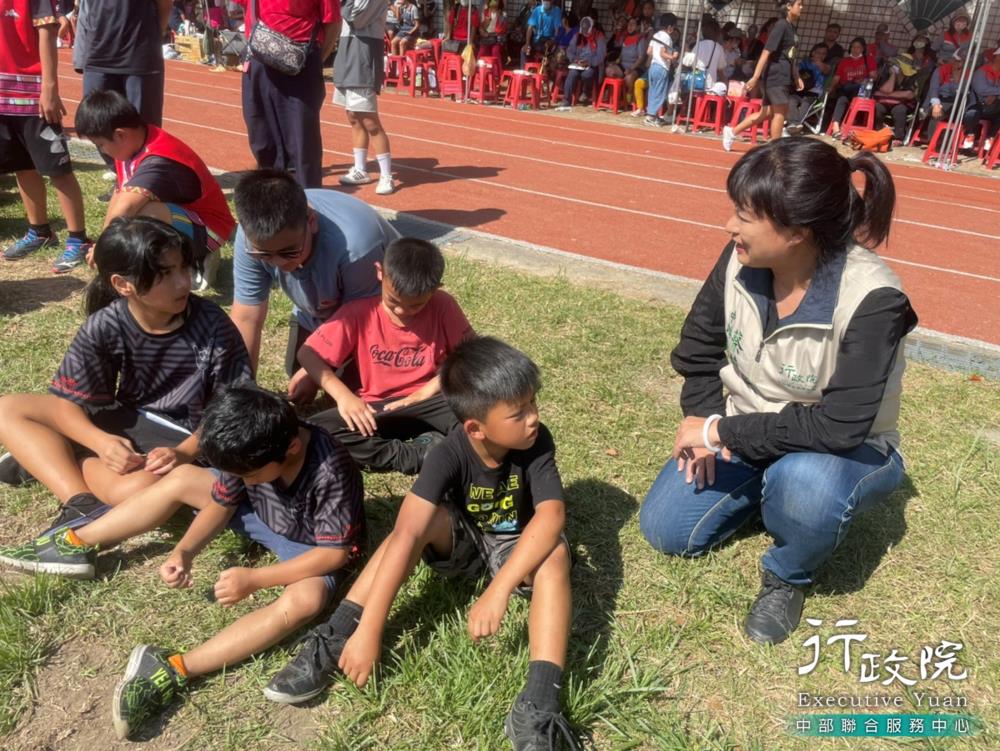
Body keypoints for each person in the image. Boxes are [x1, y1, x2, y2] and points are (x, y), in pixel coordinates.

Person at [640, 138, 917, 646]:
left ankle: (788, 575)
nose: (730, 226)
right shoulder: (739, 259)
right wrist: (705, 425)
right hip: (748, 429)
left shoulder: (874, 299)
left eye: (745, 215)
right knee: (666, 529)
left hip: (841, 449)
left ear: (797, 232)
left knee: (806, 484)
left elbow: (840, 425)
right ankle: (771, 492)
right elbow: (698, 350)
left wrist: (719, 429)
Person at [262, 336, 580, 749]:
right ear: (475, 428)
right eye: (519, 413)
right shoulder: (448, 452)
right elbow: (408, 534)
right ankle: (340, 632)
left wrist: (498, 591)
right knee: (413, 523)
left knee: (554, 553)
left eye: (533, 404)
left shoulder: (536, 442)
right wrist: (370, 630)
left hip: (518, 547)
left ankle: (540, 704)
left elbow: (552, 516)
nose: (533, 418)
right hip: (463, 542)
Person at [1, 384, 366, 739]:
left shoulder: (330, 469)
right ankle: (77, 542)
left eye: (249, 476)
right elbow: (222, 503)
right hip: (261, 515)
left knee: (306, 601)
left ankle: (174, 667)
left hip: (309, 544)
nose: (241, 480)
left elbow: (333, 553)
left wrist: (258, 578)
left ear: (292, 448)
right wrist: (185, 551)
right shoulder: (247, 450)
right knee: (180, 479)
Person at [0, 217, 251, 531]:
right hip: (124, 423)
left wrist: (184, 453)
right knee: (7, 409)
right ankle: (79, 501)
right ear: (122, 284)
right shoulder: (105, 325)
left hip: (181, 439)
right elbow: (67, 404)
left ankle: (52, 455)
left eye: (183, 267)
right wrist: (103, 444)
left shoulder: (213, 325)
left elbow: (236, 408)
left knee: (135, 490)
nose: (183, 282)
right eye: (165, 274)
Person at [300, 237, 474, 474]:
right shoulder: (358, 313)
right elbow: (307, 354)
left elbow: (471, 356)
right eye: (393, 301)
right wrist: (343, 397)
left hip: (431, 402)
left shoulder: (443, 305)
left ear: (436, 288)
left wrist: (422, 393)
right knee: (315, 431)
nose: (402, 311)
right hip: (378, 410)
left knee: (480, 413)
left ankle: (435, 444)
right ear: (380, 273)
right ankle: (415, 454)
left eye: (416, 305)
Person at [229, 169, 399, 404]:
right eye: (264, 254)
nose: (279, 262)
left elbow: (363, 318)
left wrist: (315, 369)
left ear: (311, 222)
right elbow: (246, 317)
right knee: (297, 377)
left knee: (365, 394)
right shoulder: (250, 236)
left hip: (375, 315)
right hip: (318, 310)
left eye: (289, 252)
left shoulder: (357, 246)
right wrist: (240, 389)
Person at [74, 90, 235, 289]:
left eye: (100, 145)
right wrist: (102, 243)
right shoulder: (133, 144)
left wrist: (104, 250)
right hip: (188, 218)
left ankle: (199, 259)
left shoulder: (158, 160)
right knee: (132, 216)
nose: (102, 151)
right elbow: (119, 194)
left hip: (211, 231)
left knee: (142, 213)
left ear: (120, 134)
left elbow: (124, 208)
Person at [0, 0, 91, 272]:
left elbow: (48, 32)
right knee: (21, 166)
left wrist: (49, 87)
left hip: (33, 96)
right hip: (2, 97)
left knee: (57, 168)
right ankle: (39, 231)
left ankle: (78, 238)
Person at [238, 0, 340, 189]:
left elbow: (332, 22)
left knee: (302, 144)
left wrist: (314, 61)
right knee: (262, 138)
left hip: (301, 63)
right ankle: (271, 201)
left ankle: (308, 205)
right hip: (259, 60)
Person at [723, 0, 804, 151]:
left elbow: (790, 55)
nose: (801, 7)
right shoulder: (781, 25)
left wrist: (796, 75)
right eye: (798, 4)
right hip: (776, 75)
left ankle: (731, 131)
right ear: (788, 6)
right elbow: (766, 52)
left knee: (766, 113)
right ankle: (775, 150)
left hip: (785, 75)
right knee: (780, 111)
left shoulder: (791, 27)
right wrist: (755, 77)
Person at [333, 0, 396, 195]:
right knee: (353, 116)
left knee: (370, 121)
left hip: (363, 56)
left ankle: (386, 175)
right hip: (346, 53)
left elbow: (355, 17)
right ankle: (360, 168)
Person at [826, 36, 876, 139]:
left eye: (858, 47)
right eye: (853, 47)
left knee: (849, 94)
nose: (855, 49)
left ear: (863, 49)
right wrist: (830, 87)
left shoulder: (869, 60)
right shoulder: (844, 61)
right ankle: (836, 128)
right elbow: (837, 77)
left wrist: (863, 80)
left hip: (861, 91)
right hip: (845, 89)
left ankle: (845, 126)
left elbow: (873, 76)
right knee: (842, 97)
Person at [560, 16, 605, 105]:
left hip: (593, 65)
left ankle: (586, 92)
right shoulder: (577, 36)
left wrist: (589, 62)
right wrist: (575, 60)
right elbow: (570, 51)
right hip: (578, 63)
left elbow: (601, 56)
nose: (585, 34)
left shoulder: (599, 37)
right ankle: (566, 100)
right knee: (572, 74)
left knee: (587, 74)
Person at [644, 12, 677, 127]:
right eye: (673, 27)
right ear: (669, 27)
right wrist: (672, 57)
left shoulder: (656, 35)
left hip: (653, 66)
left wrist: (657, 55)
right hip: (661, 67)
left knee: (653, 91)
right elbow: (663, 53)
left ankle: (653, 115)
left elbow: (649, 51)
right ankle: (651, 116)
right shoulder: (667, 37)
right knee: (660, 93)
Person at [786, 42, 828, 129]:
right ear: (813, 52)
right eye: (818, 52)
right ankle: (793, 125)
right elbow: (795, 70)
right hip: (800, 90)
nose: (821, 55)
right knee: (791, 100)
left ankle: (794, 125)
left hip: (814, 93)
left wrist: (816, 60)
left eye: (824, 54)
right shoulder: (804, 63)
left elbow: (825, 70)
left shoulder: (826, 66)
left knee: (805, 103)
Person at [521, 0, 561, 68]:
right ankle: (524, 72)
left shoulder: (556, 11)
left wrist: (552, 40)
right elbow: (530, 27)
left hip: (549, 39)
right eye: (544, 0)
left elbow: (557, 30)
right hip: (537, 39)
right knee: (524, 50)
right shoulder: (537, 10)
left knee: (549, 52)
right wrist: (527, 43)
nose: (546, 2)